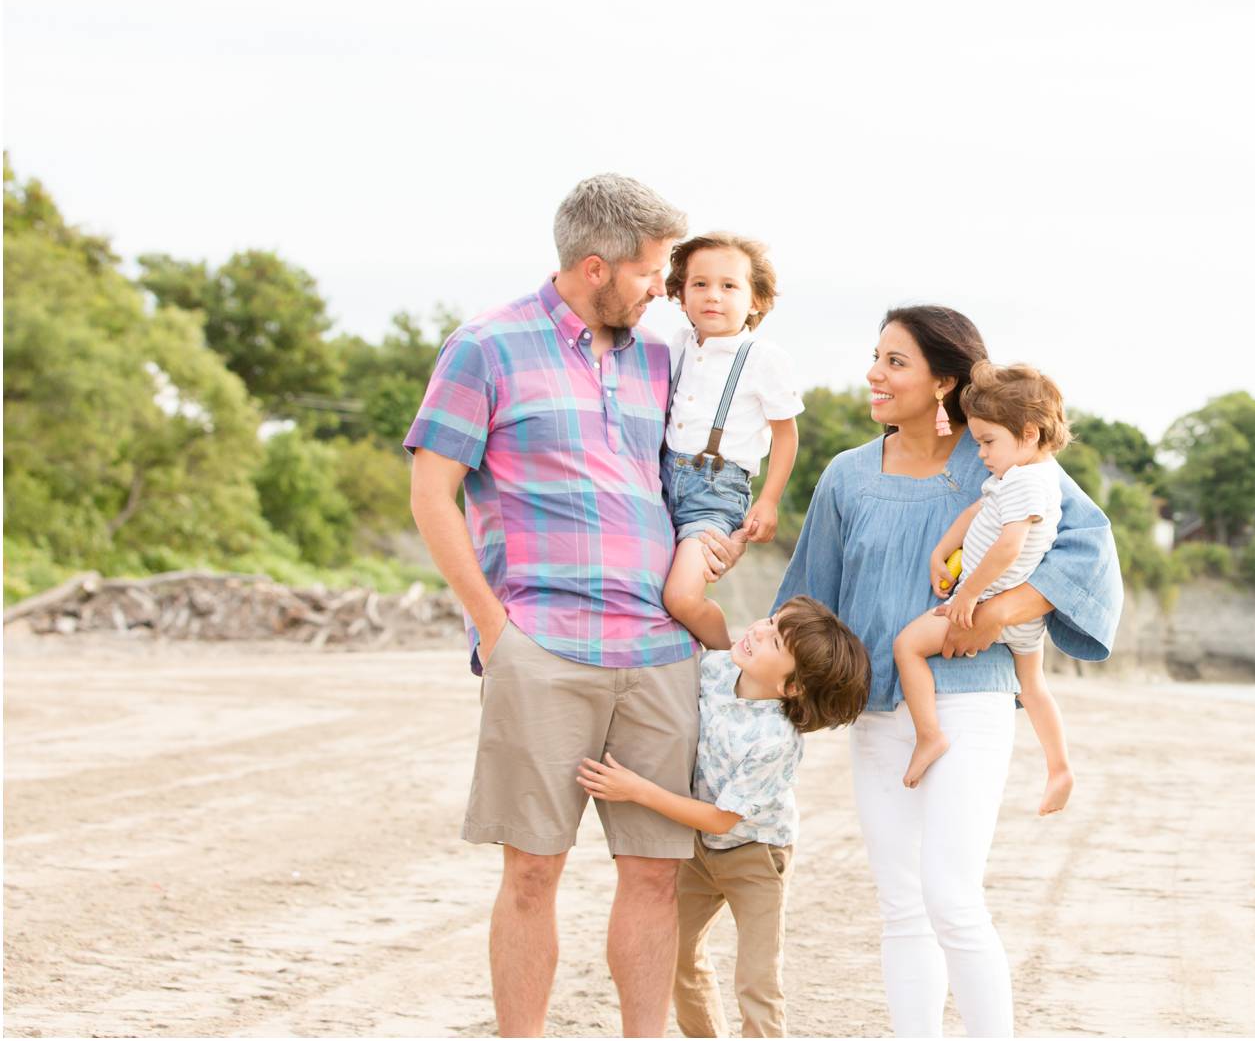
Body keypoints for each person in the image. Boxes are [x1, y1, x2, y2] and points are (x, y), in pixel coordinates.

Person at [405, 174, 743, 1038]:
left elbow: (694, 481)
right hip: (541, 648)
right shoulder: (485, 347)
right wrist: (496, 629)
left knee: (656, 874)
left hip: (659, 656)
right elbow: (431, 494)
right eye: (652, 272)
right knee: (531, 873)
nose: (664, 290)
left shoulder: (665, 358)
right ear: (596, 267)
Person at [773, 306, 1122, 1038]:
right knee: (901, 906)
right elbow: (807, 602)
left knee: (952, 897)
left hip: (969, 704)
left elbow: (1091, 551)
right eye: (875, 356)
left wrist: (995, 614)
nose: (873, 373)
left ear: (945, 383)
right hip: (874, 714)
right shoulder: (844, 476)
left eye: (895, 361)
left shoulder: (1000, 461)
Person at [576, 595, 871, 1038]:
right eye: (769, 620)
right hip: (698, 849)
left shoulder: (776, 740)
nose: (757, 631)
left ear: (792, 687)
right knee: (676, 953)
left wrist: (638, 790)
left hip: (754, 855)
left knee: (757, 979)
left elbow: (720, 819)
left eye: (774, 640)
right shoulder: (714, 670)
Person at [893, 361, 1074, 814]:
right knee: (1032, 687)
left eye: (988, 441)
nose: (981, 453)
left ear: (1029, 433)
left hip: (989, 602)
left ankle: (929, 735)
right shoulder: (1022, 477)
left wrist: (969, 595)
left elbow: (1009, 547)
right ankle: (1059, 767)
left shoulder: (1027, 481)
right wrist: (943, 549)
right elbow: (975, 513)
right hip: (1022, 619)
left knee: (907, 646)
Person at [658, 233, 804, 649]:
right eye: (699, 284)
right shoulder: (675, 347)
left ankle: (724, 662)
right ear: (681, 294)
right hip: (660, 483)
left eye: (729, 286)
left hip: (714, 492)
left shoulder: (762, 357)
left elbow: (785, 436)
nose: (712, 296)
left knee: (682, 596)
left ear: (755, 298)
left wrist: (769, 501)